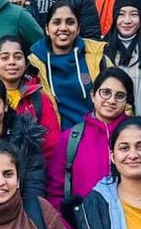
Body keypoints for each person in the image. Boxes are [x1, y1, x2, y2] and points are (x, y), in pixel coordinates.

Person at [46, 68, 132, 218]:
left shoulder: (136, 137)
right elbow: (55, 193)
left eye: (120, 96)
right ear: (93, 95)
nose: (111, 100)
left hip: (131, 227)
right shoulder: (71, 138)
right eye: (105, 92)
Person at [30, 1, 112, 129]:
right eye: (56, 22)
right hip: (56, 144)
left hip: (96, 138)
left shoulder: (97, 58)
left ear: (78, 28)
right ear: (47, 29)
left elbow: (121, 99)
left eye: (70, 22)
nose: (63, 28)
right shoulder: (34, 65)